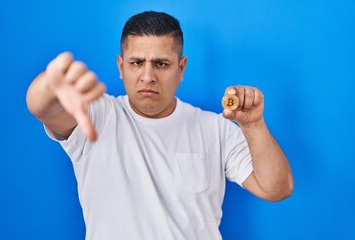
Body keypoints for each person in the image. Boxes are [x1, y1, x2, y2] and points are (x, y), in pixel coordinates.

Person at [26, 11, 293, 240]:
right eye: (137, 63)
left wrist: (254, 124)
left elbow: (276, 188)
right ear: (121, 66)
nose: (147, 76)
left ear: (181, 68)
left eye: (161, 64)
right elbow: (41, 106)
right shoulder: (97, 115)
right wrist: (50, 86)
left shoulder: (216, 128)